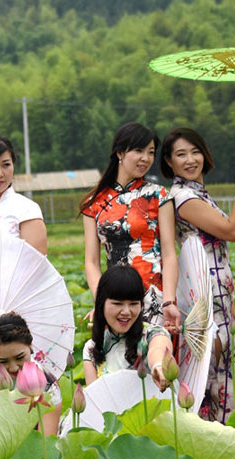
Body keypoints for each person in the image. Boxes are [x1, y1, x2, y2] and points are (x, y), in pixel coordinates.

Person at [161, 127, 235, 423]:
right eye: (181, 154)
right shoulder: (183, 197)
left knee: (221, 369)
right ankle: (214, 442)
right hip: (205, 297)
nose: (190, 160)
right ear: (168, 162)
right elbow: (233, 231)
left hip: (220, 294)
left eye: (195, 151)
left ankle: (223, 441)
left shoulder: (197, 193)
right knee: (211, 377)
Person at [81, 122, 180, 331]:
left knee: (156, 359)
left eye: (151, 152)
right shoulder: (93, 202)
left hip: (155, 298)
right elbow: (91, 262)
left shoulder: (159, 195)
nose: (146, 158)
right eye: (138, 150)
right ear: (119, 152)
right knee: (118, 361)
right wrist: (102, 302)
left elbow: (169, 254)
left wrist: (169, 301)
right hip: (115, 301)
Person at [0, 312, 62, 435]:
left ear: (30, 345)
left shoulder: (48, 385)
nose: (13, 367)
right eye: (3, 361)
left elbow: (45, 443)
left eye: (20, 357)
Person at [83, 265, 173, 392]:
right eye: (117, 303)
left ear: (141, 305)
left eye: (133, 304)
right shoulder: (91, 349)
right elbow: (95, 398)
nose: (126, 311)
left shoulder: (150, 333)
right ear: (101, 304)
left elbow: (159, 345)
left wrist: (158, 365)